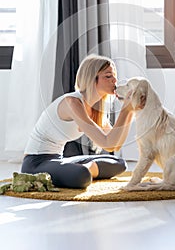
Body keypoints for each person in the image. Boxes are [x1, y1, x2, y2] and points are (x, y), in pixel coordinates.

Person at [21, 54, 134, 189]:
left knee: (119, 163)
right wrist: (125, 110)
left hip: (58, 159)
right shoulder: (72, 103)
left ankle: (83, 169)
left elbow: (114, 145)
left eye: (114, 75)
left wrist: (131, 111)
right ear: (92, 79)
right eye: (108, 76)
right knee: (82, 175)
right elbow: (107, 142)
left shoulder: (96, 109)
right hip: (35, 163)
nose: (115, 80)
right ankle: (85, 170)